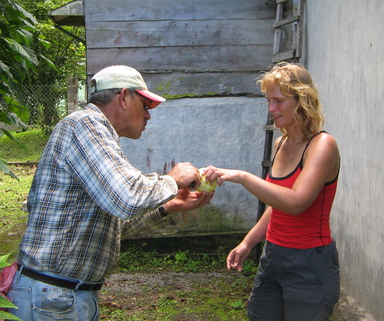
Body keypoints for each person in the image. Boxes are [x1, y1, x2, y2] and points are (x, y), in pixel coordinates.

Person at [6, 65, 213, 320]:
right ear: (124, 97)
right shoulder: (85, 125)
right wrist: (172, 180)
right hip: (52, 296)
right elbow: (127, 198)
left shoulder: (96, 134)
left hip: (65, 296)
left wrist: (169, 206)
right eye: (146, 106)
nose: (149, 116)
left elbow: (111, 225)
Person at [204, 62, 340, 320]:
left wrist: (243, 177)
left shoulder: (323, 145)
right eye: (268, 100)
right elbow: (277, 206)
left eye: (278, 101)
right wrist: (248, 242)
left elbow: (296, 203)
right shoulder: (281, 143)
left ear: (303, 100)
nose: (271, 109)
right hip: (273, 257)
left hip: (309, 261)